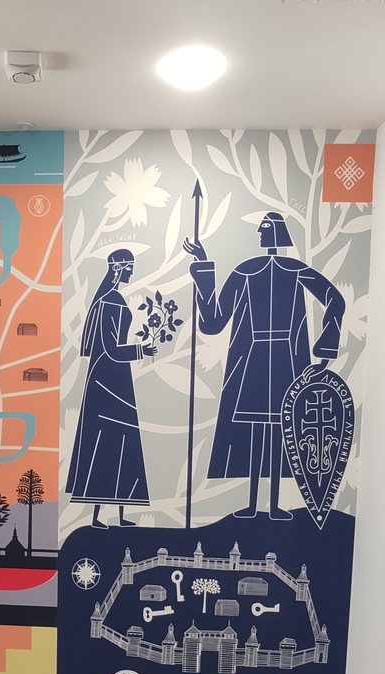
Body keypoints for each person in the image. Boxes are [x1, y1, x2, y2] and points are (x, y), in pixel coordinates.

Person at [184, 213, 345, 520]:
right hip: (252, 360)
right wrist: (203, 267)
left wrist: (324, 352)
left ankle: (272, 506)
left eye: (265, 228)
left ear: (277, 233)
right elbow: (214, 322)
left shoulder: (294, 270)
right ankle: (253, 504)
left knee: (277, 431)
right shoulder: (245, 271)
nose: (259, 232)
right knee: (256, 431)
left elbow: (335, 300)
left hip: (286, 359)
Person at [66, 249, 154, 528]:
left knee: (121, 441)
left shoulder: (110, 299)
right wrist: (141, 349)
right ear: (118, 268)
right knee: (107, 442)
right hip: (108, 381)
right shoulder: (110, 301)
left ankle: (120, 515)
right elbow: (111, 348)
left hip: (113, 378)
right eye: (129, 267)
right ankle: (96, 517)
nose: (132, 272)